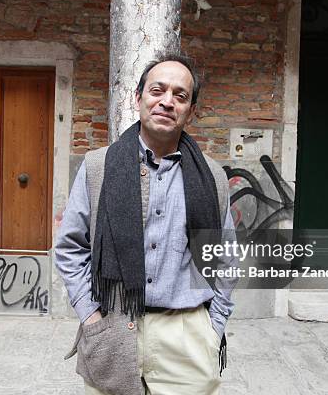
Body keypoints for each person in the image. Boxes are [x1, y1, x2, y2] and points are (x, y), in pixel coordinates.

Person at [55, 53, 238, 395]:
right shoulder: (98, 167)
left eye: (180, 96)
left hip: (186, 337)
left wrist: (212, 327)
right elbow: (70, 248)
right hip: (111, 326)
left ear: (191, 110)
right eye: (157, 90)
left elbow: (225, 258)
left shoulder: (211, 177)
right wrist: (90, 316)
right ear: (138, 99)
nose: (167, 101)